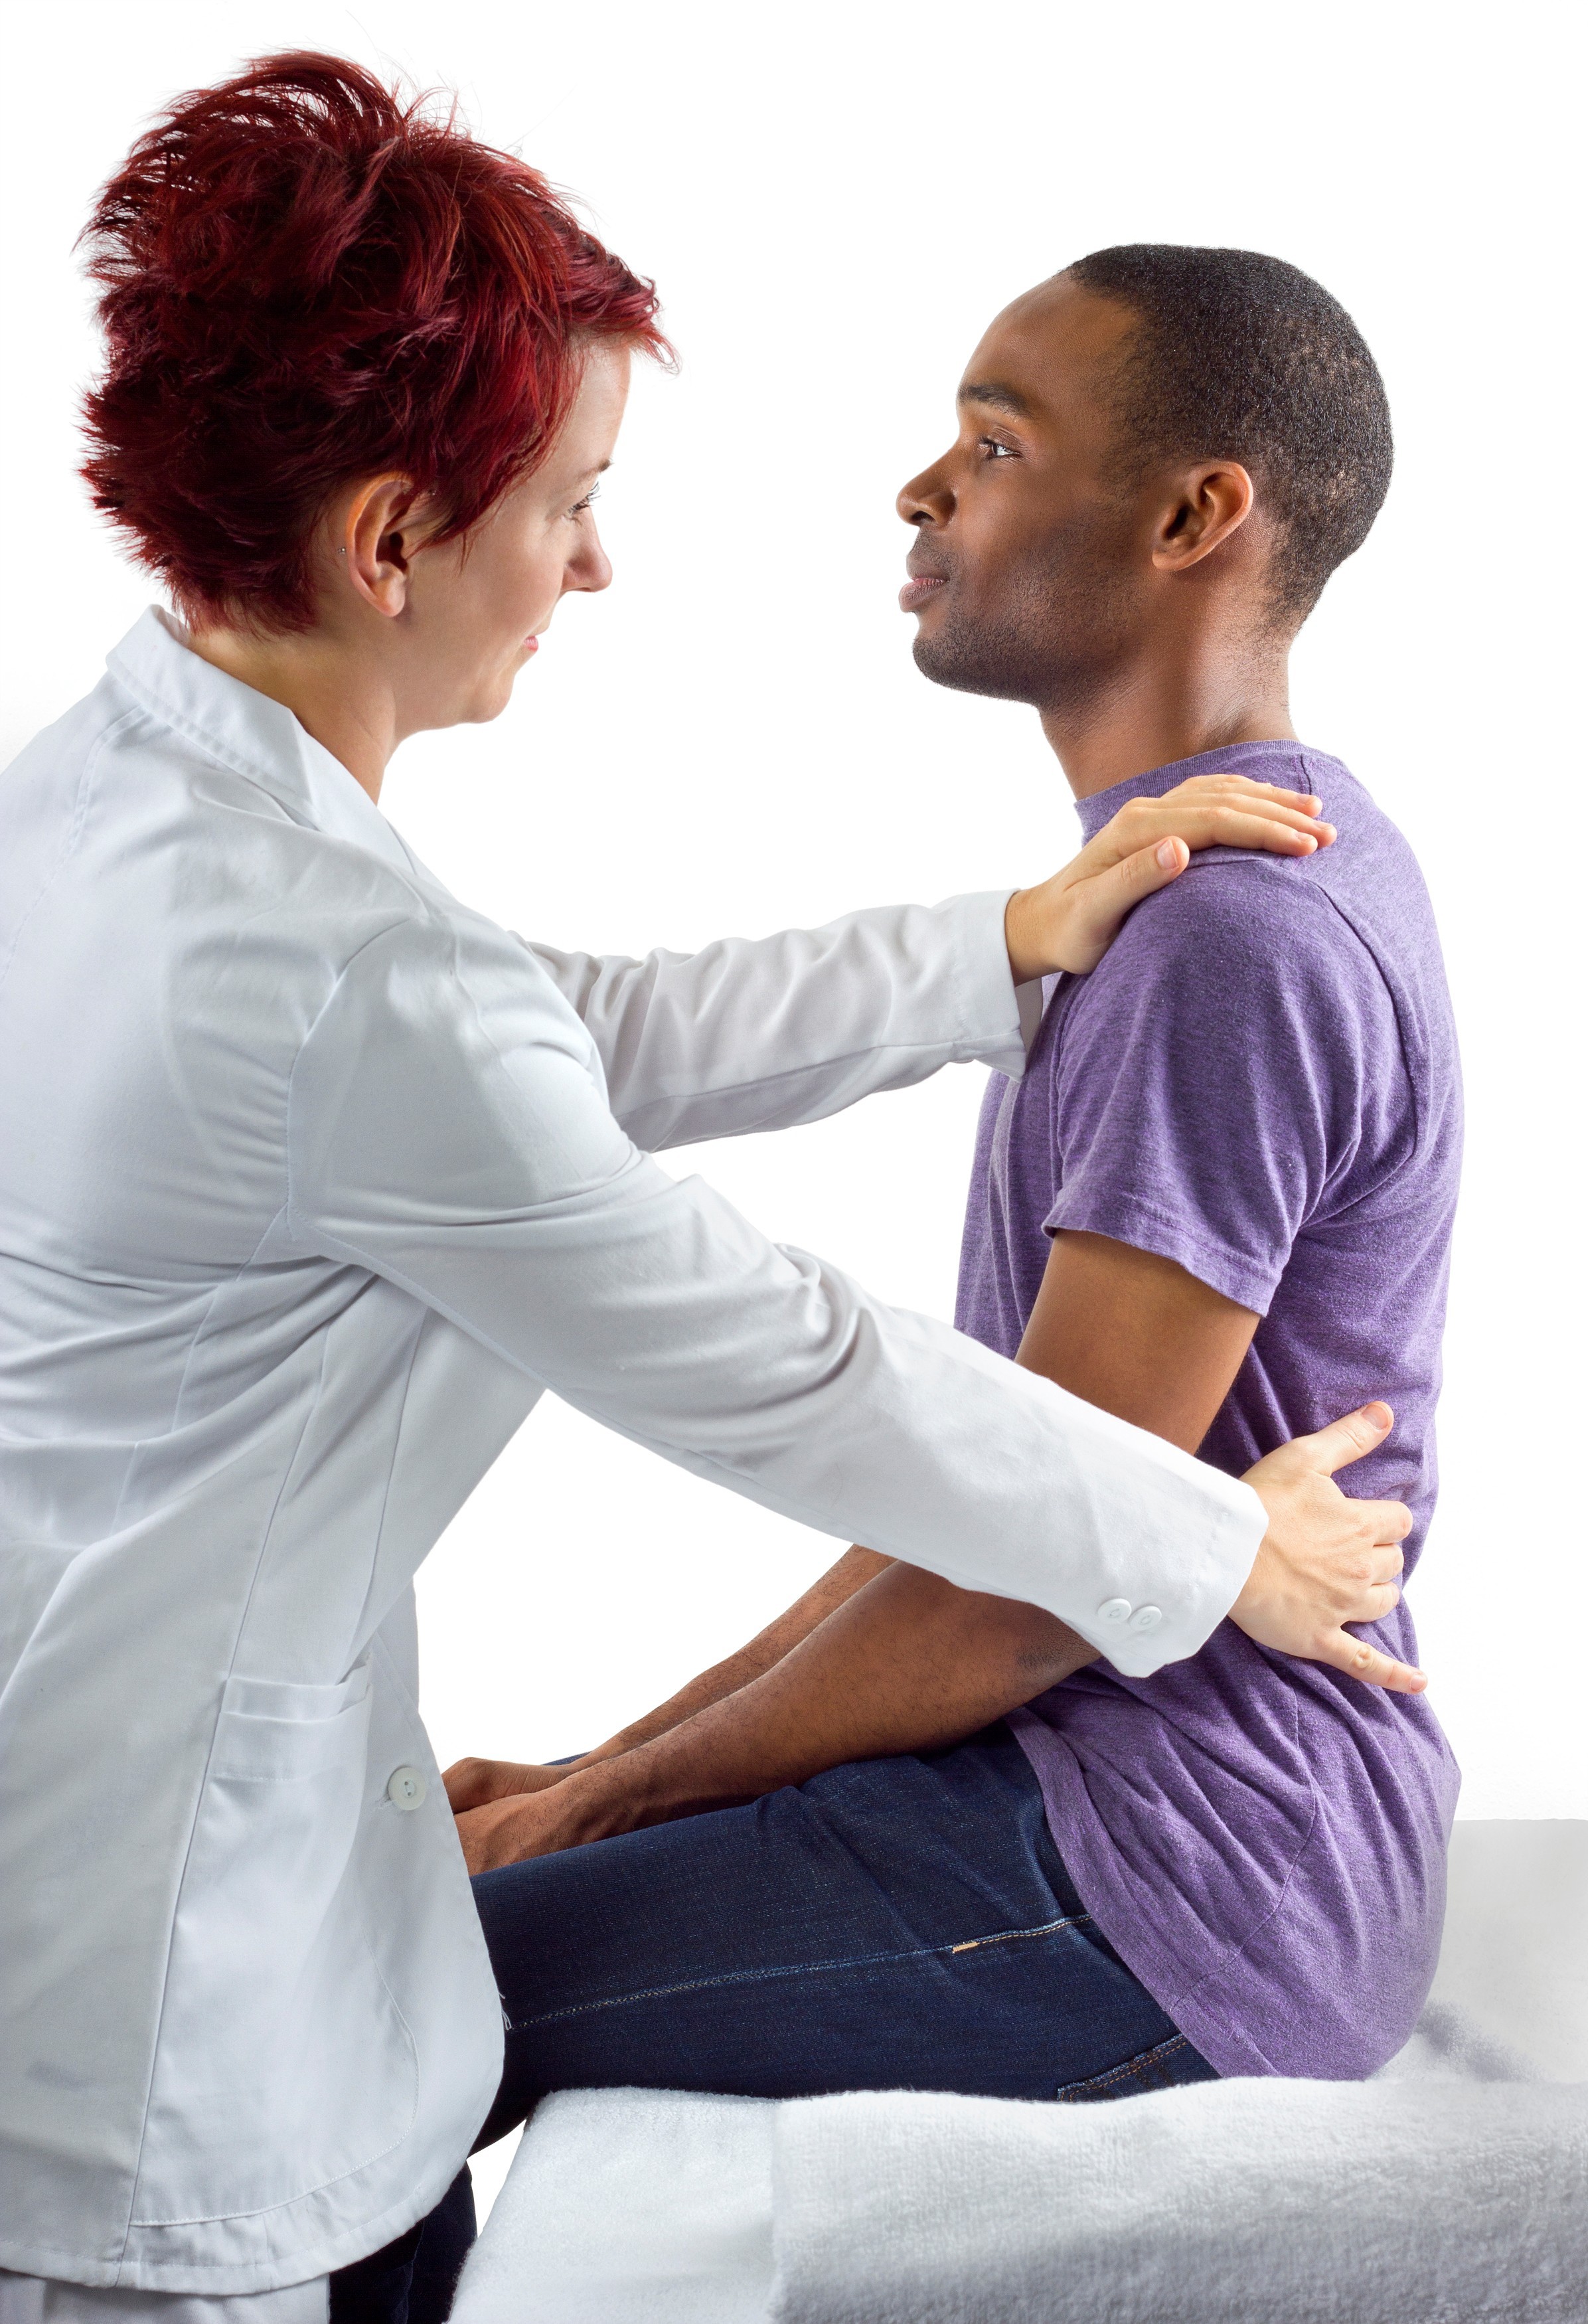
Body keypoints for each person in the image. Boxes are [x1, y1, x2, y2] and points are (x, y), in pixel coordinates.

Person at [0, 52, 1417, 2317]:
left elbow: (541, 1037)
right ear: (388, 543)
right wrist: (1212, 1538)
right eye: (567, 502)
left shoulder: (101, 806)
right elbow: (787, 1360)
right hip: (176, 2038)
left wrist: (990, 950)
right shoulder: (345, 980)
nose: (593, 558)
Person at [431, 244, 1461, 2293]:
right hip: (1114, 1802)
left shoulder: (1230, 935)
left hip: (1183, 1878)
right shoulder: (1154, 903)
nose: (924, 488)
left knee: (373, 2005)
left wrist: (602, 1804)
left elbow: (1022, 1569)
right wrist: (598, 1768)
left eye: (994, 443)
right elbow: (989, 1483)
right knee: (393, 1928)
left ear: (1197, 518)